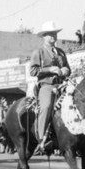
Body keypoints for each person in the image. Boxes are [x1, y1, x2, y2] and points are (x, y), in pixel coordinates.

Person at [30, 21, 71, 152]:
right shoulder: (39, 52)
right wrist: (50, 69)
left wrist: (66, 70)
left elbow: (68, 68)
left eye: (55, 34)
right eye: (50, 34)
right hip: (47, 85)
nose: (54, 36)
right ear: (44, 36)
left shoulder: (61, 52)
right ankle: (41, 139)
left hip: (62, 85)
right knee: (47, 106)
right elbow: (33, 71)